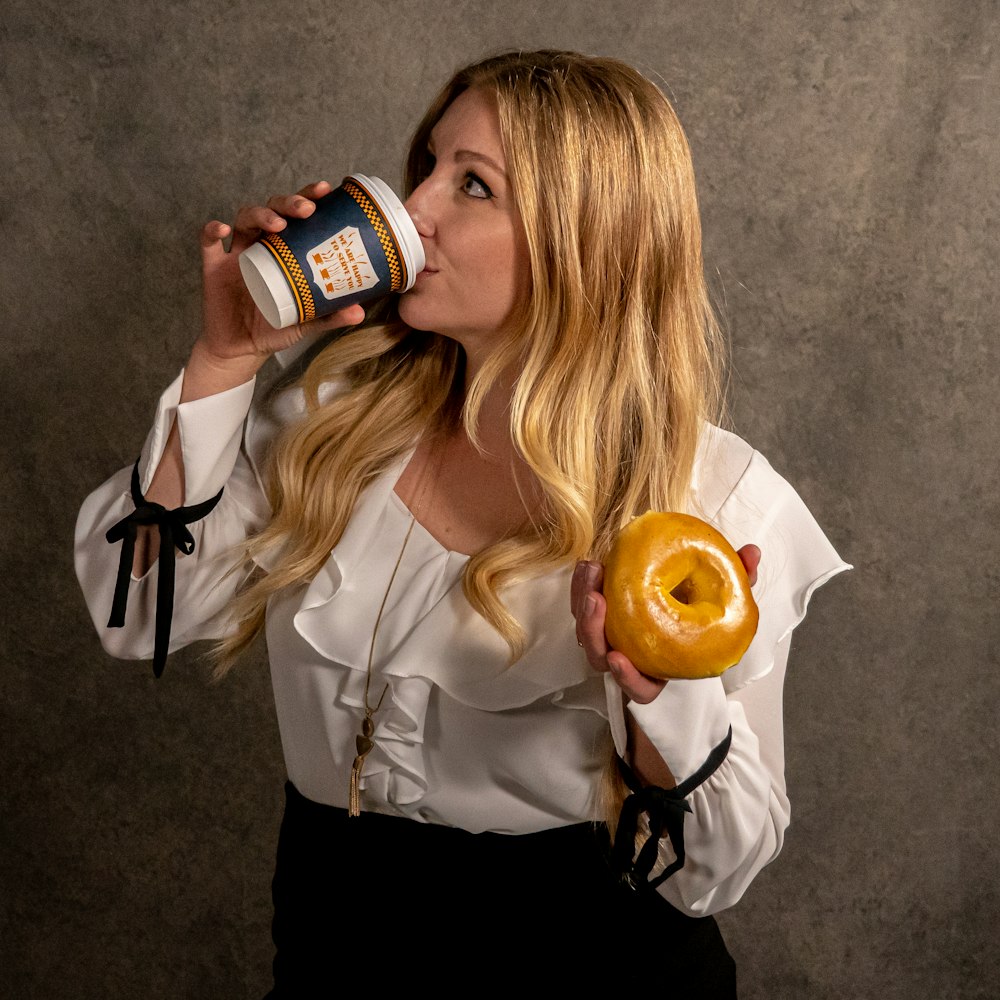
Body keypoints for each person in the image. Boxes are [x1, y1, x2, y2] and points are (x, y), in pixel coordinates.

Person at [75, 50, 849, 995]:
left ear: (585, 240)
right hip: (333, 963)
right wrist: (225, 358)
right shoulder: (330, 414)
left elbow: (717, 870)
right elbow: (138, 615)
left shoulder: (716, 495)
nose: (415, 213)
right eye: (427, 168)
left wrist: (661, 696)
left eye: (472, 185)